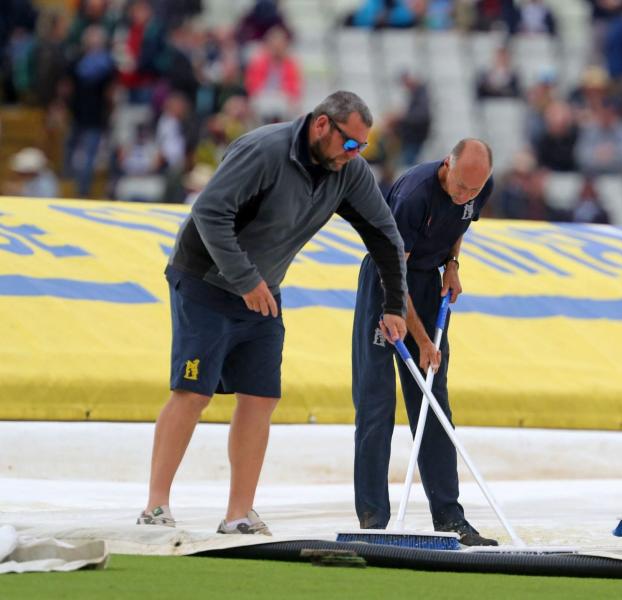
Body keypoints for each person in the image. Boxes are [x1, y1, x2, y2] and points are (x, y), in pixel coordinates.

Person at [138, 90, 408, 535]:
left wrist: (395, 305)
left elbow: (385, 237)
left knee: (262, 396)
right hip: (205, 280)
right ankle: (155, 505)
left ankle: (239, 513)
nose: (355, 154)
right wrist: (245, 279)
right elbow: (209, 212)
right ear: (322, 125)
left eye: (362, 147)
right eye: (349, 143)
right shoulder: (263, 150)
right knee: (193, 392)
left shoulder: (347, 170)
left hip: (263, 291)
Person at [351, 139, 497, 546]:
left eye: (475, 190)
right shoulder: (415, 195)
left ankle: (450, 516)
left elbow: (460, 224)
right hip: (389, 280)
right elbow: (395, 274)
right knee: (376, 402)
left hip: (429, 278)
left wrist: (452, 264)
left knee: (433, 399)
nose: (467, 195)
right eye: (462, 187)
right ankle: (373, 520)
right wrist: (421, 340)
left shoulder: (478, 185)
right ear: (447, 164)